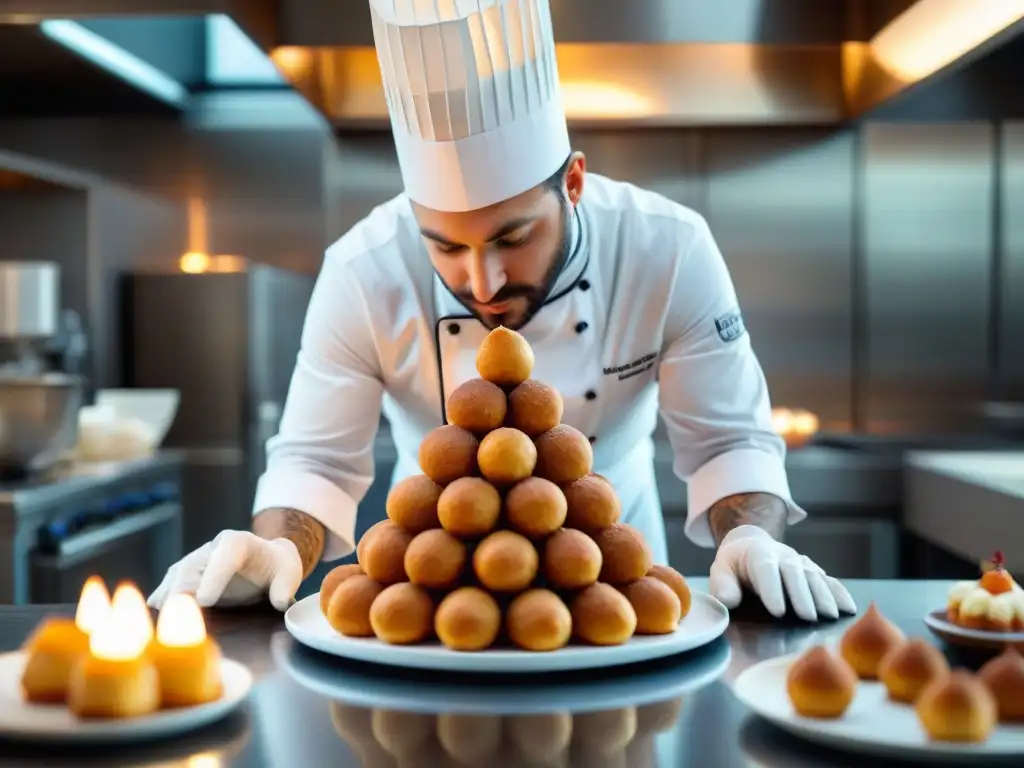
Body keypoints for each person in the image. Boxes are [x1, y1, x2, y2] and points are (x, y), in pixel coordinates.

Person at [149, 0, 856, 623]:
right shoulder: (363, 270)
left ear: (572, 182)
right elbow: (316, 463)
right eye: (445, 245)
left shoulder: (667, 248)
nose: (481, 280)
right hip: (430, 572)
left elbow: (730, 443)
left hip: (609, 569)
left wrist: (750, 536)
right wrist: (276, 547)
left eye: (513, 236)